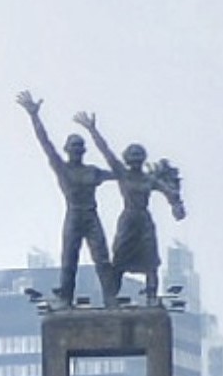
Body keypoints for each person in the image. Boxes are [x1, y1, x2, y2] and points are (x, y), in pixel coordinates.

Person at [76, 110, 186, 306]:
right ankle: (111, 298)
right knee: (119, 260)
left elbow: (169, 192)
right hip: (128, 220)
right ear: (127, 158)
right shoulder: (123, 174)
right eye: (133, 155)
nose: (136, 158)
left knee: (151, 262)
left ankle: (151, 297)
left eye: (139, 155)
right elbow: (106, 152)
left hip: (144, 221)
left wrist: (176, 206)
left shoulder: (149, 179)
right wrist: (93, 130)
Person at [18, 91, 110, 307]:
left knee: (102, 259)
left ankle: (110, 297)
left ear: (84, 150)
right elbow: (45, 144)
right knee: (69, 261)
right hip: (74, 215)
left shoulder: (93, 172)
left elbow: (121, 173)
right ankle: (66, 298)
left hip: (91, 216)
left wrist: (94, 131)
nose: (76, 150)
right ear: (67, 150)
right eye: (73, 146)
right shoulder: (63, 169)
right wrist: (34, 116)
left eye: (79, 146)